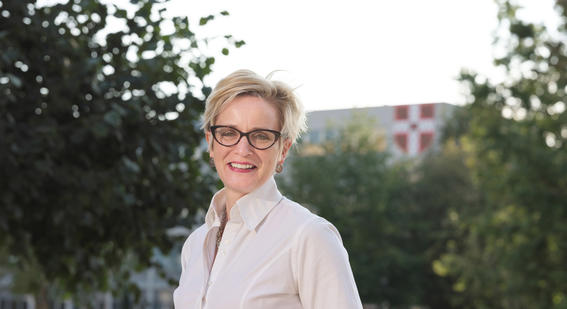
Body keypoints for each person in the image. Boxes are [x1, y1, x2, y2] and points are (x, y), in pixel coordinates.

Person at [173, 69, 363, 309]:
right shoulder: (195, 244)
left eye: (261, 136)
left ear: (283, 149)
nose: (243, 149)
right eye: (228, 133)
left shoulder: (309, 236)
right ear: (211, 142)